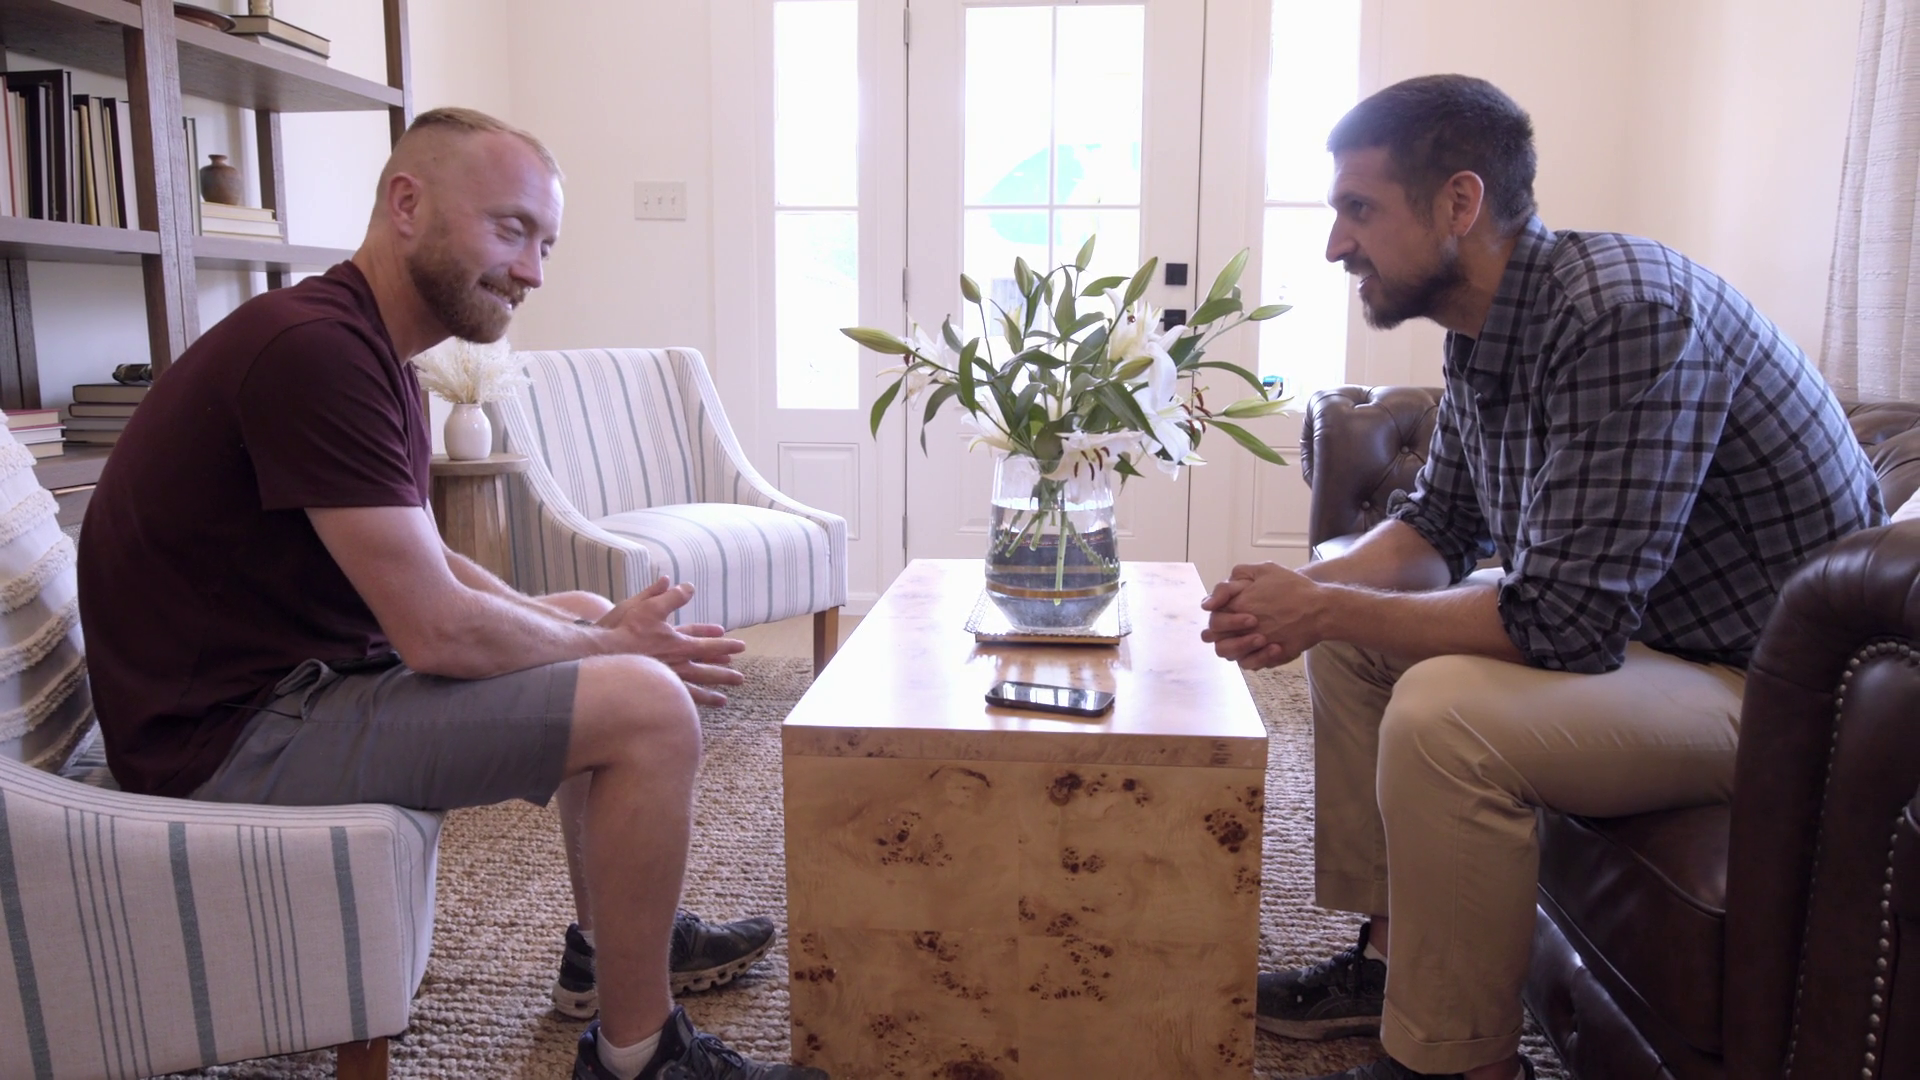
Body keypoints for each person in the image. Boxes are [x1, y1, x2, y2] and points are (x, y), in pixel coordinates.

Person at [76, 107, 826, 1080]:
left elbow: (426, 559)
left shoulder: (372, 353)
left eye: (546, 244)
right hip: (227, 740)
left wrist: (582, 627)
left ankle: (607, 953)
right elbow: (435, 632)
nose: (533, 272)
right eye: (512, 230)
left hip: (288, 690)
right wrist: (618, 651)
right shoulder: (313, 353)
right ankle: (641, 1055)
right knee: (644, 706)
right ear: (406, 204)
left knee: (576, 611)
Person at [1201, 75, 1884, 1080]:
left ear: (1459, 203)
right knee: (1351, 638)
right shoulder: (1487, 325)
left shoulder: (1624, 315)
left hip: (1784, 697)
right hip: (1656, 640)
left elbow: (1563, 623)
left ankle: (1459, 1065)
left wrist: (1327, 603)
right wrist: (1305, 591)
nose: (1336, 244)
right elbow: (1435, 528)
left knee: (1444, 717)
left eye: (1359, 209)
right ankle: (1389, 965)